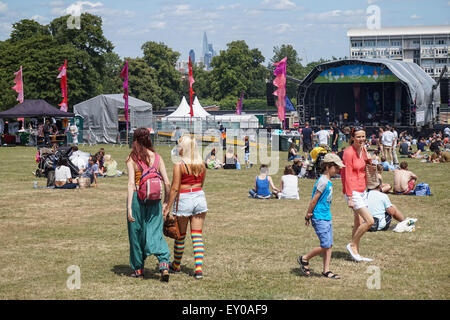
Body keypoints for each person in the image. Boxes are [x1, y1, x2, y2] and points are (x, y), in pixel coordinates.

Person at [126, 128, 172, 281]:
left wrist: (128, 208)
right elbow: (167, 182)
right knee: (156, 232)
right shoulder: (158, 158)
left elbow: (131, 183)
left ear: (135, 140)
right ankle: (164, 263)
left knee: (136, 234)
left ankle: (138, 269)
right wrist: (166, 202)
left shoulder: (132, 158)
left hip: (137, 199)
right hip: (155, 200)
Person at [163, 134, 208, 280]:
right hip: (199, 197)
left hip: (184, 198)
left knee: (180, 235)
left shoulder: (179, 164)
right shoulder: (201, 163)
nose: (178, 149)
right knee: (197, 234)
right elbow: (202, 184)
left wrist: (168, 206)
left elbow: (175, 188)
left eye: (180, 146)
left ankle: (176, 265)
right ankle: (199, 269)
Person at [297, 153, 345, 279]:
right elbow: (314, 200)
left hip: (326, 216)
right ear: (328, 166)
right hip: (319, 217)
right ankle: (304, 258)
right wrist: (308, 215)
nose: (339, 170)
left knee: (329, 245)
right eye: (337, 167)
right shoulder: (323, 181)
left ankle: (326, 270)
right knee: (325, 245)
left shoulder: (328, 181)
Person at [341, 126, 375, 262]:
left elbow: (366, 163)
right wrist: (349, 196)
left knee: (358, 221)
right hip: (353, 191)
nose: (362, 139)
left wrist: (372, 163)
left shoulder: (364, 150)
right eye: (359, 137)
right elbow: (346, 175)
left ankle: (356, 253)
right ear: (352, 138)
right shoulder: (348, 153)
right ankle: (352, 245)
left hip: (362, 189)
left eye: (363, 136)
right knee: (370, 221)